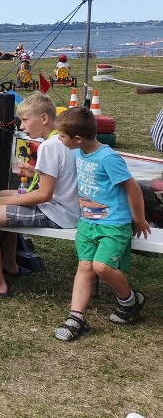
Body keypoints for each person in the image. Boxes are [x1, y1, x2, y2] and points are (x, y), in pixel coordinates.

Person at [0, 93, 79, 296]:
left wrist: (11, 201)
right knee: (1, 194)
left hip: (57, 213)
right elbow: (60, 176)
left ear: (44, 118)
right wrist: (34, 172)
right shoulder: (61, 141)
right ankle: (9, 261)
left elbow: (44, 195)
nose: (22, 127)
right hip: (67, 207)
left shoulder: (49, 146)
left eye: (25, 120)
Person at [53, 107, 150, 341]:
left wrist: (138, 219)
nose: (59, 139)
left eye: (62, 136)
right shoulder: (79, 153)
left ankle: (130, 301)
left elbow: (133, 189)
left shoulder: (108, 158)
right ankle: (76, 317)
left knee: (102, 267)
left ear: (77, 139)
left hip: (113, 224)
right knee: (85, 268)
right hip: (87, 223)